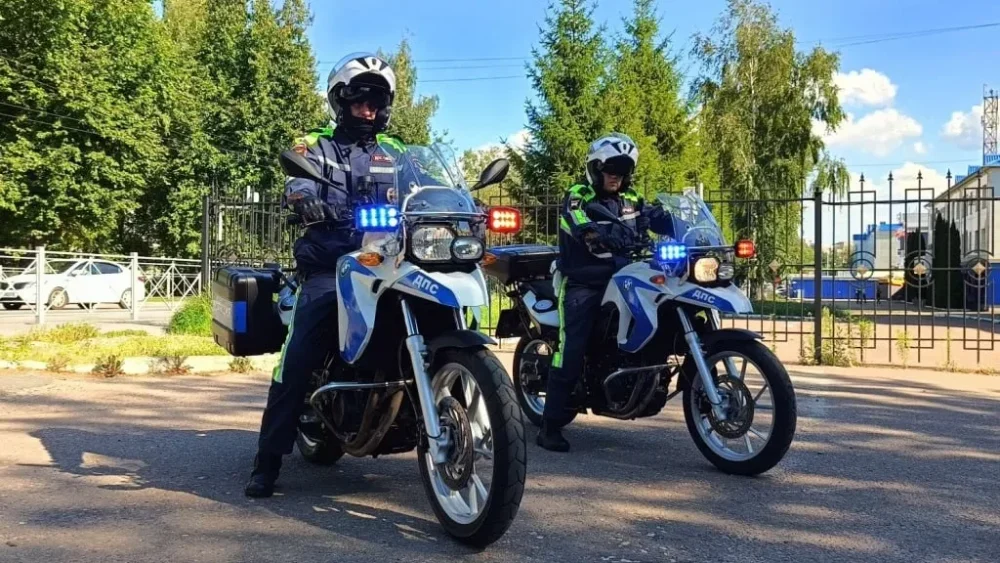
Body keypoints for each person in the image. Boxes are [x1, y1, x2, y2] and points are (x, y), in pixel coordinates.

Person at [245, 52, 406, 498]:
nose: (368, 109)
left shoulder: (395, 151)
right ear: (341, 101)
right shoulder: (314, 145)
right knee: (297, 356)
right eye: (359, 100)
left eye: (376, 101)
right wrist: (304, 199)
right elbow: (297, 182)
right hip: (330, 265)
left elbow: (425, 184)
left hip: (390, 262)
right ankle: (267, 460)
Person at [538, 133, 673, 453]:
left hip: (626, 275)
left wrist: (677, 223)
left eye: (623, 169)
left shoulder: (633, 198)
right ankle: (549, 426)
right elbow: (580, 225)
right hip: (584, 281)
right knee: (571, 349)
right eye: (610, 168)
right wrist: (602, 234)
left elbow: (657, 218)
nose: (616, 175)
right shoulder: (578, 195)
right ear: (595, 168)